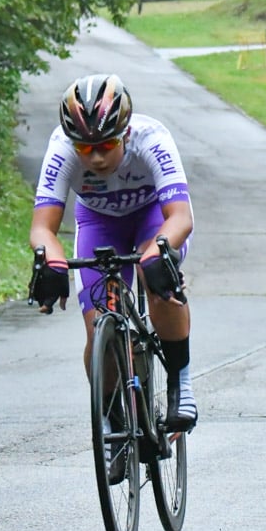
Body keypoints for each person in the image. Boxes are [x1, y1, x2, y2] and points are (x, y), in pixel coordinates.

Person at [28, 74, 197, 435]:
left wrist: (158, 253)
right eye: (85, 149)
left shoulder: (152, 139)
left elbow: (180, 217)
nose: (97, 156)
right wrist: (51, 261)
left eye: (106, 145)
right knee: (96, 325)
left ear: (125, 133)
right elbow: (43, 228)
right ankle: (109, 415)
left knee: (159, 280)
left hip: (153, 217)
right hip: (99, 222)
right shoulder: (61, 148)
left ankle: (180, 383)